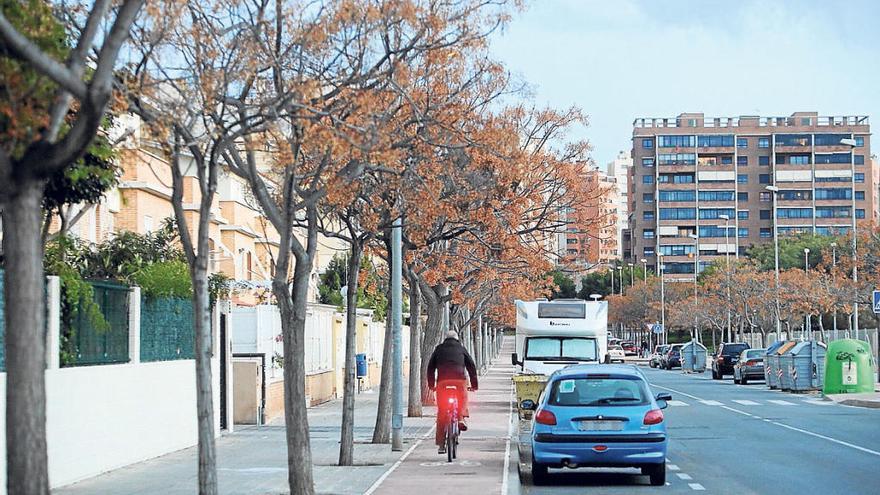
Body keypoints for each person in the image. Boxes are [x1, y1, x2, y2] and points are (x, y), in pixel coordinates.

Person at [427, 330, 478, 454]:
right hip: (459, 381)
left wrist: (431, 385)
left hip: (442, 382)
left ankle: (441, 445)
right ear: (457, 338)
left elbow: (430, 368)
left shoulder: (438, 349)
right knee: (463, 398)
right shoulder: (461, 348)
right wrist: (474, 385)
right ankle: (460, 418)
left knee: (441, 412)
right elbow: (471, 366)